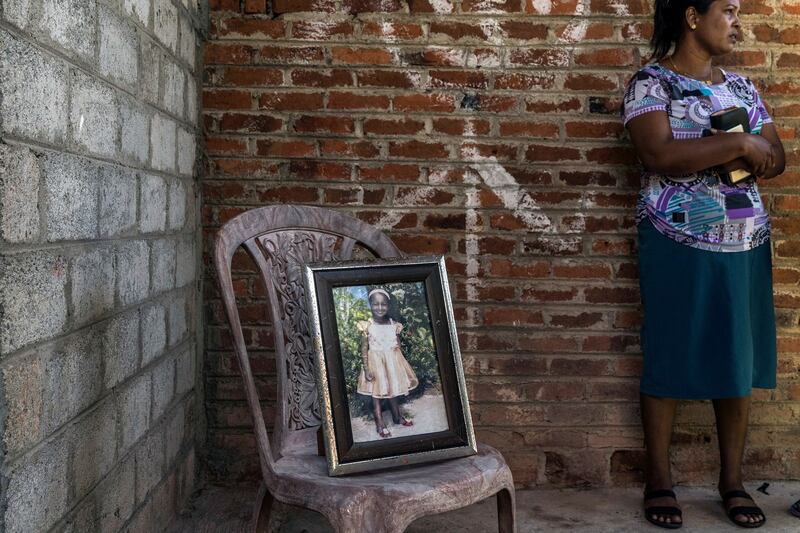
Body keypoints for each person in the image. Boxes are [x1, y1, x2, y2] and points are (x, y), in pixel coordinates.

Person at [623, 0, 785, 529]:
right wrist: (738, 142)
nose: (738, 22)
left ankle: (732, 482)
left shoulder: (740, 88)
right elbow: (660, 156)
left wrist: (742, 147)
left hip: (744, 237)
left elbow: (777, 158)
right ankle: (660, 481)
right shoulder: (653, 84)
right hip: (676, 236)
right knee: (670, 348)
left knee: (736, 355)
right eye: (730, 10)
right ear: (693, 16)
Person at [356, 288, 419, 438]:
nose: (379, 307)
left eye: (383, 304)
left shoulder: (394, 324)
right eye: (375, 304)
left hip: (392, 363)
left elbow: (397, 346)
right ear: (370, 305)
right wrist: (366, 369)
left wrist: (400, 365)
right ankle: (379, 422)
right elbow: (364, 349)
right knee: (376, 394)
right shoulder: (367, 325)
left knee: (392, 389)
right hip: (375, 364)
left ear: (388, 306)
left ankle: (397, 417)